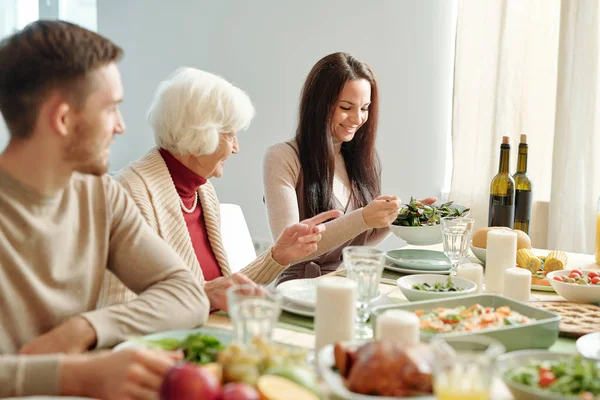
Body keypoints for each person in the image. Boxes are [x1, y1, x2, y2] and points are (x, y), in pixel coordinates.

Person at [0, 21, 210, 399]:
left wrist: (84, 328)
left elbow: (186, 293)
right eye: (111, 108)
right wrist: (70, 376)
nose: (121, 126)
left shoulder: (101, 195)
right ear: (63, 119)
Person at [98, 67, 341, 310]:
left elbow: (219, 291)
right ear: (198, 135)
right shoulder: (129, 195)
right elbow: (118, 309)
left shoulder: (202, 191)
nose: (236, 148)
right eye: (229, 135)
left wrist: (278, 256)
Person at [263, 52, 435, 284]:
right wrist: (364, 217)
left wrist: (397, 219)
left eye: (364, 108)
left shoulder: (362, 158)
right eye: (346, 107)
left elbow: (360, 238)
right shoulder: (283, 157)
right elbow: (292, 248)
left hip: (346, 281)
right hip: (300, 287)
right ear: (319, 105)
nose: (357, 118)